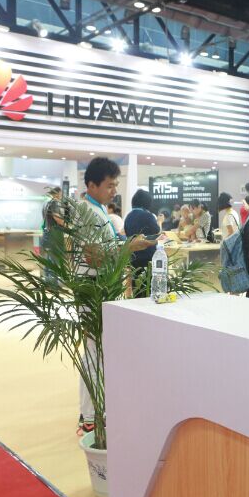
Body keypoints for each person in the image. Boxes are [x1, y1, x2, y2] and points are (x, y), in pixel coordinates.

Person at [76, 157, 155, 436]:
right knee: (94, 349)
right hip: (91, 285)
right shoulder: (86, 212)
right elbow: (93, 256)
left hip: (101, 283)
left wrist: (124, 243)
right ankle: (89, 416)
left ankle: (97, 411)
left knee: (99, 348)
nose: (114, 190)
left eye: (116, 185)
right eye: (109, 185)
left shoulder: (98, 209)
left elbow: (103, 247)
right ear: (92, 185)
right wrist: (128, 247)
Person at [124, 189, 161, 297]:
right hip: (148, 258)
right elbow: (157, 232)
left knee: (138, 290)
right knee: (149, 291)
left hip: (133, 258)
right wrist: (159, 221)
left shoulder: (128, 216)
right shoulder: (148, 216)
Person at [40, 187, 65, 281]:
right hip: (54, 234)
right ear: (57, 193)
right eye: (61, 194)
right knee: (54, 259)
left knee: (49, 259)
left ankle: (48, 282)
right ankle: (53, 283)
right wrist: (65, 224)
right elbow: (57, 217)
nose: (61, 196)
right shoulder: (54, 202)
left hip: (47, 233)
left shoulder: (45, 203)